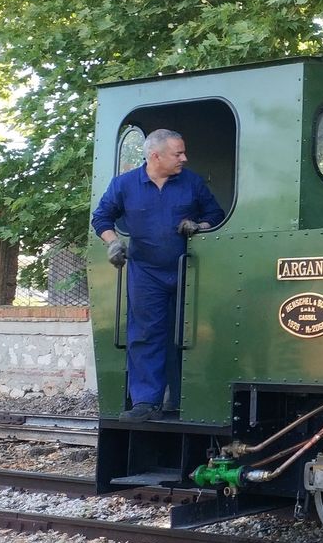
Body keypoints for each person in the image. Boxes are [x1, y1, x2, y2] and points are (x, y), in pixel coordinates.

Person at [91, 129, 224, 422]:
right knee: (145, 334)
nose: (184, 159)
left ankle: (180, 399)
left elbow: (216, 214)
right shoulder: (124, 185)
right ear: (155, 156)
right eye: (178, 154)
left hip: (188, 269)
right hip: (145, 272)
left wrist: (198, 226)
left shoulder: (191, 182)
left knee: (185, 334)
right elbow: (101, 217)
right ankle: (145, 402)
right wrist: (113, 242)